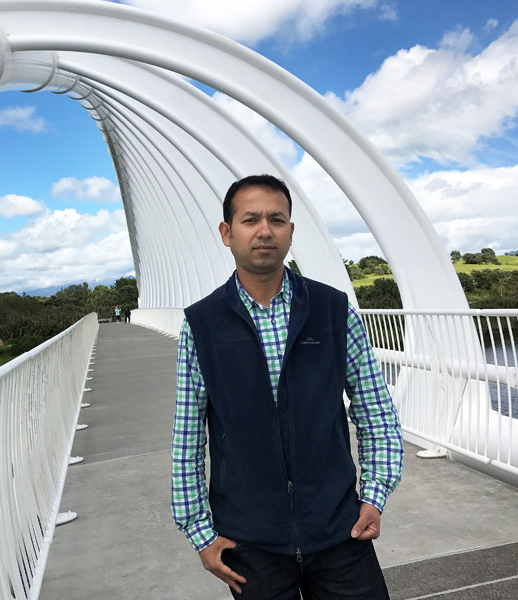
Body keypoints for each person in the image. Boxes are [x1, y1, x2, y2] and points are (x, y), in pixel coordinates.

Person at [172, 174, 403, 599]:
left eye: (277, 219)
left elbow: (375, 411)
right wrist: (199, 533)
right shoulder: (201, 325)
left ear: (291, 232)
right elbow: (186, 437)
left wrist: (374, 494)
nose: (265, 230)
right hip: (250, 543)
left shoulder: (333, 311)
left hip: (339, 531)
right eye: (250, 219)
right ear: (227, 233)